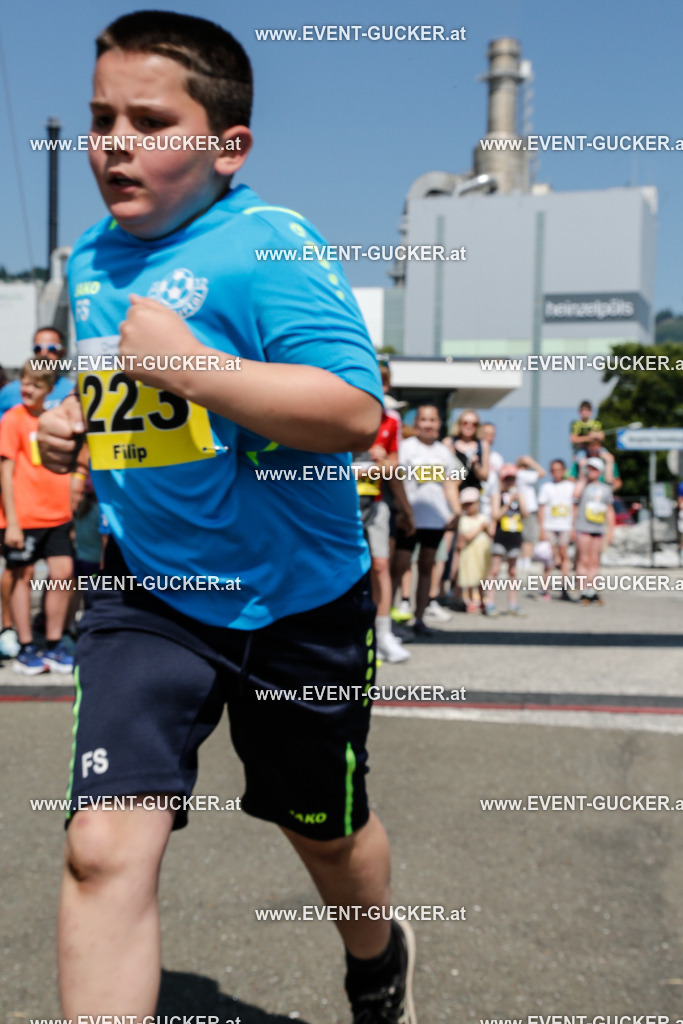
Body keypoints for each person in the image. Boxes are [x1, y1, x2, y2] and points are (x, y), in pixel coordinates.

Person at [37, 12, 415, 1023]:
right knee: (100, 847)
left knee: (323, 829)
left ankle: (376, 959)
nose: (114, 144)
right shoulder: (89, 258)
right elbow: (116, 392)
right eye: (100, 120)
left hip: (296, 602)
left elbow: (352, 412)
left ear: (226, 145)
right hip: (150, 594)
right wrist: (72, 425)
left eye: (150, 122)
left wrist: (193, 366)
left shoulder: (267, 246)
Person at [0, 363, 75, 674]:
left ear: (50, 390)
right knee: (23, 575)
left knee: (64, 573)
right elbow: (5, 472)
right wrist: (12, 521)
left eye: (36, 385)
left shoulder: (53, 419)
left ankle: (55, 643)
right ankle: (26, 645)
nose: (27, 389)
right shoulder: (12, 419)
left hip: (58, 514)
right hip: (25, 515)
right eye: (25, 383)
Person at [353, 387, 415, 664]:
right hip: (343, 503)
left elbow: (394, 468)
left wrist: (406, 510)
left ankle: (383, 633)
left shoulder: (391, 421)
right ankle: (355, 634)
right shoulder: (346, 411)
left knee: (380, 565)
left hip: (376, 503)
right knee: (351, 567)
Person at [391, 405, 460, 635]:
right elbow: (397, 481)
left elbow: (450, 484)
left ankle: (419, 618)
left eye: (432, 420)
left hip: (435, 519)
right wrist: (403, 511)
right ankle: (386, 619)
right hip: (409, 518)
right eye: (423, 419)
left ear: (439, 423)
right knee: (398, 567)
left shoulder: (444, 453)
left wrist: (456, 511)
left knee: (426, 568)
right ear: (416, 423)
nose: (428, 424)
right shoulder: (406, 448)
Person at [0, 326, 74, 419]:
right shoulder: (10, 391)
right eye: (38, 348)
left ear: (63, 352)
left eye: (52, 349)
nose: (44, 353)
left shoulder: (71, 391)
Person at [486, 464, 528, 617]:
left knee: (513, 571)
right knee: (494, 570)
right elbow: (495, 515)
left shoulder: (519, 495)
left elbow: (526, 514)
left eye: (512, 479)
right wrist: (508, 503)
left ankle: (513, 604)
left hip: (515, 535)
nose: (510, 482)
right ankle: (489, 602)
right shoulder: (497, 495)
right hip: (500, 536)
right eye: (507, 479)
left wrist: (519, 500)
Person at [573, 457, 615, 605]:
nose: (591, 471)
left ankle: (592, 590)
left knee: (594, 560)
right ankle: (583, 590)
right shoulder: (582, 485)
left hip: (598, 528)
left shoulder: (605, 488)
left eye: (594, 469)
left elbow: (609, 510)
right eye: (589, 468)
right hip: (583, 527)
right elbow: (575, 495)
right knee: (583, 559)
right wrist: (583, 477)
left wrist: (611, 530)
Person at [538, 458, 575, 601]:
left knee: (564, 555)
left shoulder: (571, 487)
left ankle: (565, 588)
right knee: (549, 558)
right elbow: (542, 509)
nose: (557, 473)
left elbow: (575, 507)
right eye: (554, 470)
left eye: (559, 470)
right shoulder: (546, 487)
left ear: (564, 471)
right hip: (550, 526)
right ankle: (545, 588)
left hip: (565, 526)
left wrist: (573, 527)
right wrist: (541, 529)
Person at [456, 487, 491, 613]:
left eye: (471, 503)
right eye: (467, 504)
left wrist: (487, 527)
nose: (469, 506)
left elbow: (491, 533)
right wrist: (481, 528)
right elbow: (467, 536)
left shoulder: (483, 518)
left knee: (482, 578)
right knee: (470, 578)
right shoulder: (463, 520)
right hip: (470, 553)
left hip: (482, 553)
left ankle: (482, 600)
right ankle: (470, 600)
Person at [515, 454, 545, 570]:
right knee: (528, 536)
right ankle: (526, 560)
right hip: (528, 509)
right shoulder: (524, 474)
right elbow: (542, 473)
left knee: (522, 535)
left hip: (521, 508)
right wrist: (532, 462)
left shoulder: (517, 474)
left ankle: (521, 559)